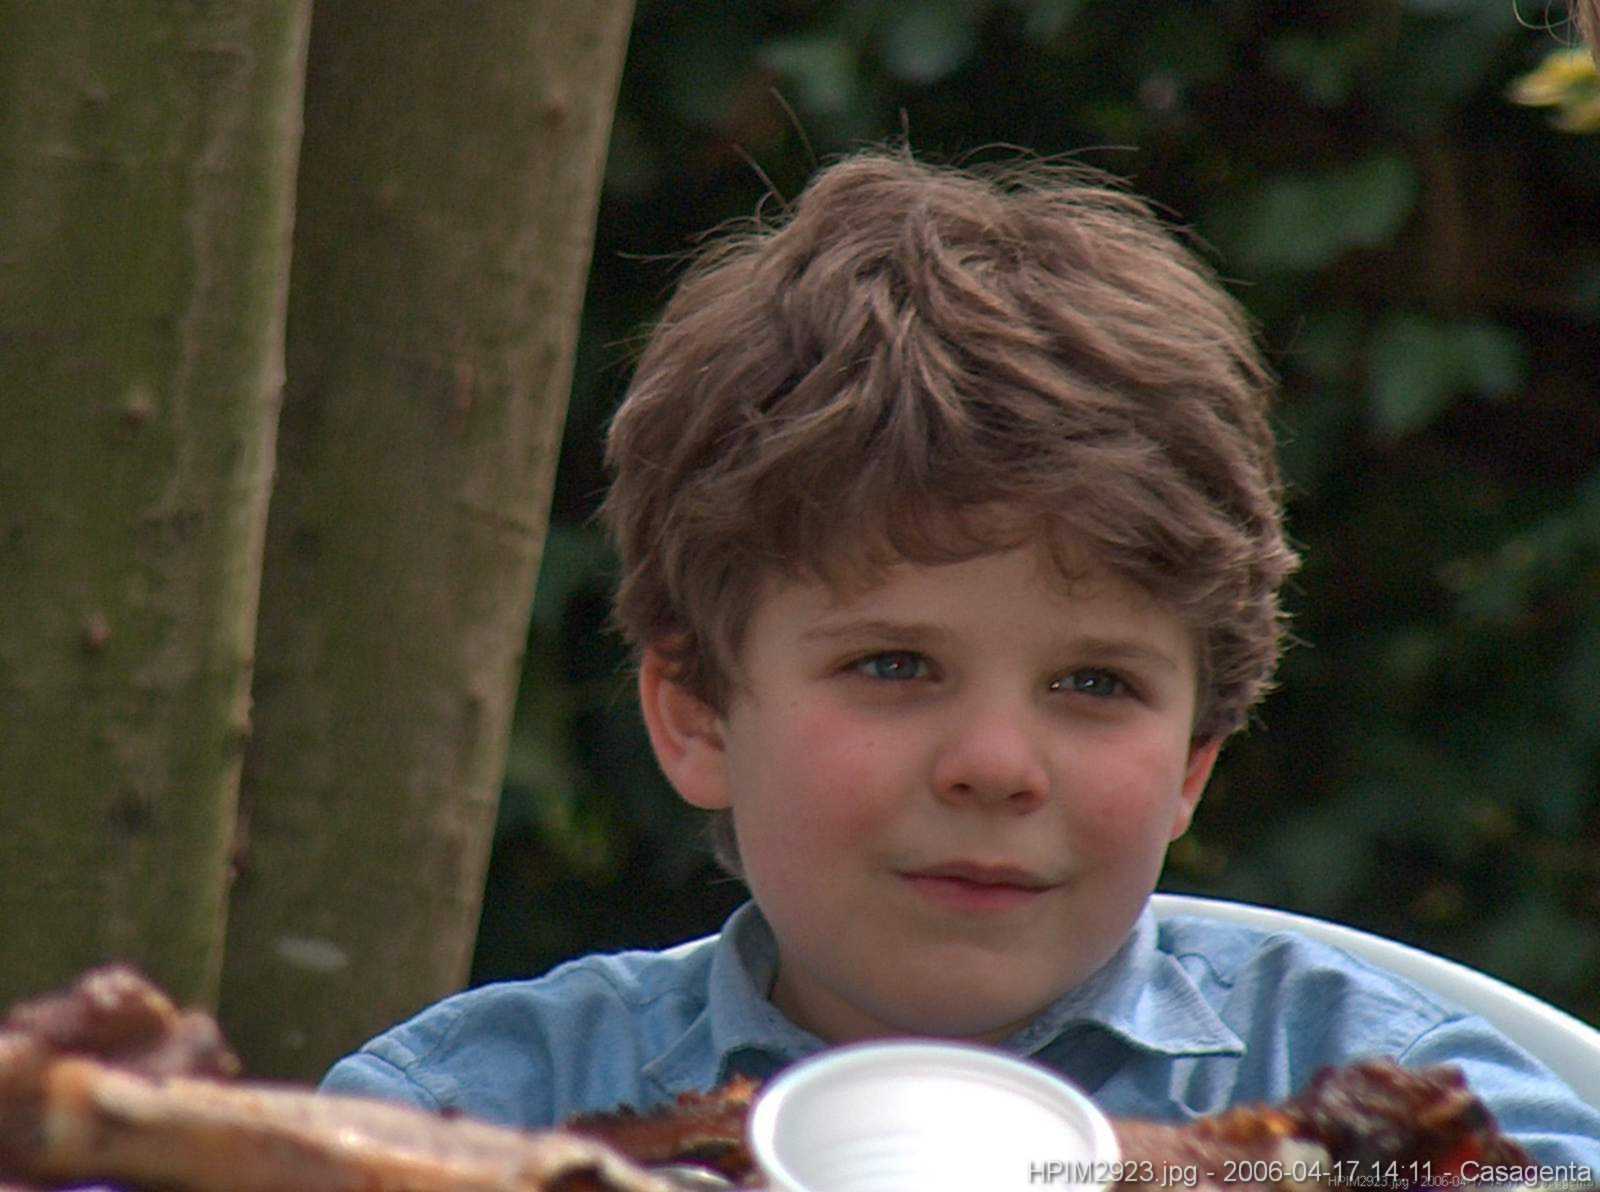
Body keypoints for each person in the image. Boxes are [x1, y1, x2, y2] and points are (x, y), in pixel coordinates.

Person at [321, 149, 1600, 1165]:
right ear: (698, 712)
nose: (995, 764)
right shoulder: (465, 1117)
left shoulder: (1389, 1104)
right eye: (893, 665)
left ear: (1191, 763)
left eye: (1094, 684)